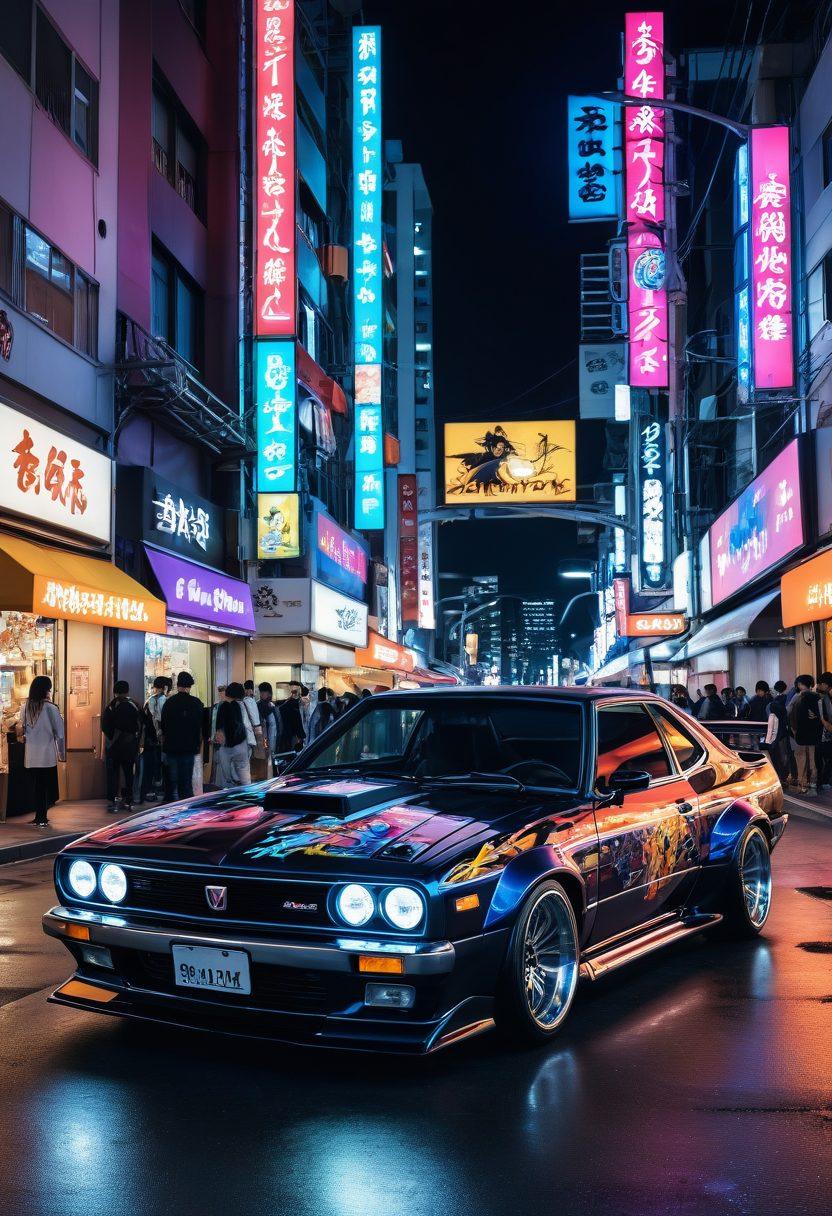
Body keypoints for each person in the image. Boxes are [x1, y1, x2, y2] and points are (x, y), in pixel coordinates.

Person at [17, 675, 64, 827]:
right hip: (47, 754)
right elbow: (60, 733)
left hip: (31, 754)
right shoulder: (51, 708)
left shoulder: (25, 707)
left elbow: (22, 727)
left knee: (37, 786)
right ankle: (42, 817)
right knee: (46, 786)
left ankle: (39, 816)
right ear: (46, 689)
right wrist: (61, 753)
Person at [160, 672, 204, 801]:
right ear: (190, 687)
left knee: (171, 782)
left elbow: (163, 725)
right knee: (186, 782)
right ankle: (185, 806)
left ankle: (170, 804)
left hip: (171, 747)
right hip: (189, 747)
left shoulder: (169, 703)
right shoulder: (196, 703)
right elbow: (200, 725)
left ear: (177, 685)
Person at [101, 680, 142, 814]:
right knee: (129, 773)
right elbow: (141, 724)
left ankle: (113, 800)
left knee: (113, 774)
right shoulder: (134, 705)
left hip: (114, 746)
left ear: (115, 691)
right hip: (130, 746)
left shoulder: (111, 706)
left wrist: (112, 737)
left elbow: (104, 726)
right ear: (127, 691)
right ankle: (128, 799)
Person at [214, 683, 255, 788]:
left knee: (226, 778)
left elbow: (218, 726)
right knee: (245, 776)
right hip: (241, 744)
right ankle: (248, 794)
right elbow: (245, 724)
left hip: (226, 746)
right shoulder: (242, 705)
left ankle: (231, 791)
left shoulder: (221, 706)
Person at [788, 674, 822, 795]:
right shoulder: (818, 697)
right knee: (813, 759)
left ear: (800, 684)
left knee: (801, 758)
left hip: (800, 734)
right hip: (814, 734)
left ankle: (802, 784)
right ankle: (813, 785)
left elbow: (790, 713)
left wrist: (793, 730)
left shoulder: (797, 697)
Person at [140, 676, 168, 803]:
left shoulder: (148, 701)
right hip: (161, 741)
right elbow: (163, 721)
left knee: (149, 768)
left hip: (149, 740)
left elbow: (143, 721)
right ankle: (159, 791)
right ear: (165, 687)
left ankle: (147, 792)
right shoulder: (164, 701)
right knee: (161, 767)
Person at [250, 682, 278, 780]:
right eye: (261, 692)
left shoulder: (267, 705)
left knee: (265, 762)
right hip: (264, 739)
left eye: (264, 692)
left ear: (269, 693)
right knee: (265, 761)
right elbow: (272, 726)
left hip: (265, 739)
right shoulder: (265, 705)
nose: (261, 694)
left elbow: (272, 726)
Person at [763, 682, 790, 784]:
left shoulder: (772, 704)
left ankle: (779, 776)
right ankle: (784, 776)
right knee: (784, 755)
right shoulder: (786, 699)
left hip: (775, 733)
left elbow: (770, 722)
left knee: (777, 755)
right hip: (783, 732)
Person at [278, 683, 306, 753]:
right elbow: (298, 725)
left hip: (284, 738)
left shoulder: (283, 706)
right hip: (293, 739)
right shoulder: (294, 706)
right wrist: (301, 737)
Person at [816, 672, 832, 790]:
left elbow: (826, 717)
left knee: (824, 757)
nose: (819, 686)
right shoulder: (826, 697)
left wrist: (823, 721)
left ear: (825, 684)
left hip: (826, 732)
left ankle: (824, 781)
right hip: (827, 732)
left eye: (820, 684)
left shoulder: (825, 698)